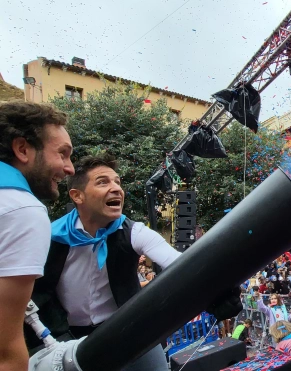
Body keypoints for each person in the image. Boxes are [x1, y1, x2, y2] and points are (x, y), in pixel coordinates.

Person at [25, 155, 242, 371]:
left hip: (128, 330)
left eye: (118, 182)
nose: (117, 189)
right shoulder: (49, 236)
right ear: (77, 196)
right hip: (69, 338)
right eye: (103, 182)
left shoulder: (134, 232)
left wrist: (220, 289)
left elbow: (184, 266)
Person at [0, 102, 74, 370]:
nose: (70, 168)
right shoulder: (23, 210)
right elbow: (4, 353)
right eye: (63, 154)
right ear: (22, 149)